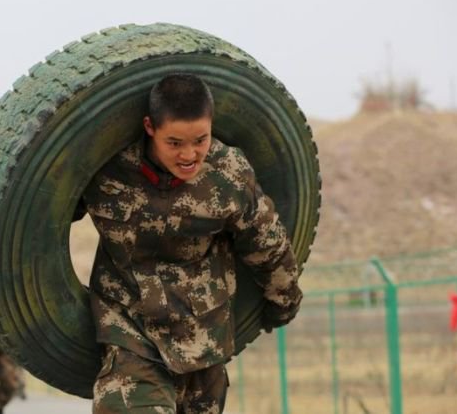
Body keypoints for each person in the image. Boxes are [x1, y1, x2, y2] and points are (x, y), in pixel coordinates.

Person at [76, 73, 303, 413]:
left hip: (203, 344)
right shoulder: (107, 171)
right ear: (150, 127)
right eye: (175, 143)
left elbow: (266, 245)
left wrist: (282, 303)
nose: (189, 155)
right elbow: (32, 215)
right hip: (131, 338)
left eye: (200, 140)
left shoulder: (228, 173)